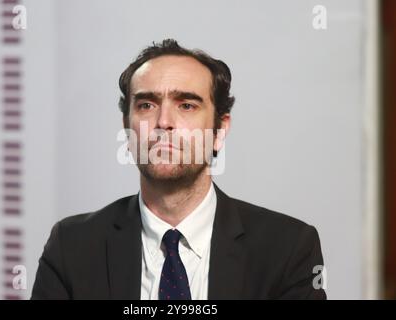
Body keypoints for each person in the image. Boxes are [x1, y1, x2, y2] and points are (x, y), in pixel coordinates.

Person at [31, 39, 326, 300]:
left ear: (219, 130)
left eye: (186, 105)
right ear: (126, 128)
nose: (163, 122)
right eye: (146, 105)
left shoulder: (287, 249)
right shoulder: (71, 248)